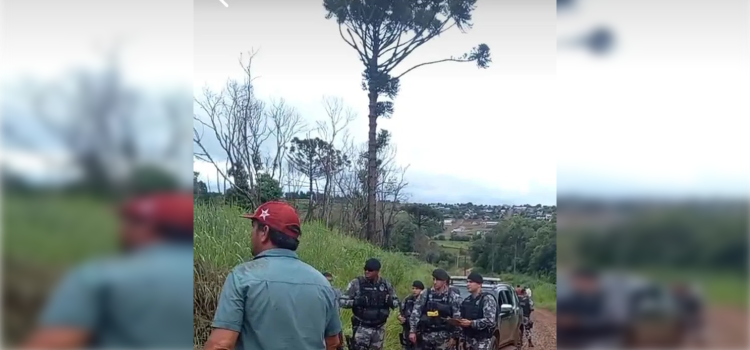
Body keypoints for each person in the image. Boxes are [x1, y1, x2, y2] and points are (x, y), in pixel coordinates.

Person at [18, 192, 195, 350]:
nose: (121, 230)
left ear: (147, 227)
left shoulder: (102, 275)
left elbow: (53, 343)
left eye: (130, 222)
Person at [203, 201, 342, 350]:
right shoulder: (322, 283)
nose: (252, 234)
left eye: (254, 228)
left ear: (264, 232)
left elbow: (221, 344)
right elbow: (333, 343)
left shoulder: (242, 277)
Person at [340, 258, 400, 350]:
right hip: (362, 327)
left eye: (370, 270)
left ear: (377, 271)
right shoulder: (356, 283)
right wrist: (356, 302)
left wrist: (390, 302)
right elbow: (342, 302)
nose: (367, 272)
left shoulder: (385, 284)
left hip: (379, 328)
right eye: (365, 269)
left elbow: (397, 302)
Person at [409, 268, 462, 350]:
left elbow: (457, 319)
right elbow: (416, 312)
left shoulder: (453, 297)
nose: (434, 282)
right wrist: (412, 331)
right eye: (434, 279)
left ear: (444, 281)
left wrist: (454, 337)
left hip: (444, 338)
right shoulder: (426, 293)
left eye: (438, 280)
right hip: (426, 335)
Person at [457, 272, 498, 350]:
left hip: (482, 341)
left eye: (471, 282)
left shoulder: (487, 299)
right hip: (468, 341)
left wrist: (471, 323)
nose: (468, 284)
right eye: (467, 282)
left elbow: (490, 321)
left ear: (479, 284)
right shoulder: (467, 300)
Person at [399, 280, 425, 350]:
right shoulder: (407, 299)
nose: (414, 290)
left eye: (417, 289)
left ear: (422, 290)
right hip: (407, 330)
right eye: (413, 288)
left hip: (420, 332)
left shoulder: (425, 300)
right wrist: (400, 318)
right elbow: (401, 312)